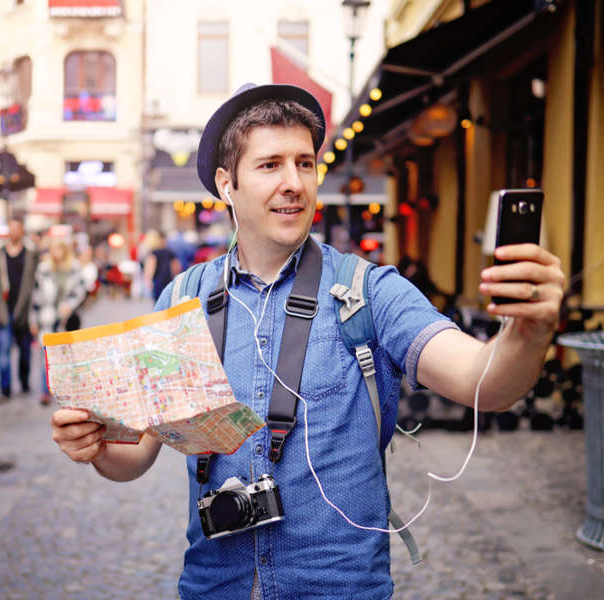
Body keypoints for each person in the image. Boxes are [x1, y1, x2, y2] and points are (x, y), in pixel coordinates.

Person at [50, 84, 565, 599]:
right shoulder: (183, 299)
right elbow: (136, 456)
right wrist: (96, 446)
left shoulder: (369, 292)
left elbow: (487, 383)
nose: (294, 183)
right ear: (227, 184)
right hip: (214, 587)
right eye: (270, 165)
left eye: (305, 163)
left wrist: (529, 329)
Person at [0, 217, 39, 403]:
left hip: (23, 309)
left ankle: (24, 381)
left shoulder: (31, 253)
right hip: (3, 308)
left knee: (25, 352)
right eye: (11, 228)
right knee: (3, 351)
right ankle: (4, 388)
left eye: (17, 228)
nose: (14, 232)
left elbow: (36, 280)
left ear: (22, 231)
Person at [30, 237, 88, 406]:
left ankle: (67, 392)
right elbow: (35, 297)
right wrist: (33, 320)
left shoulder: (74, 268)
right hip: (47, 319)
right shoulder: (43, 269)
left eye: (59, 249)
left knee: (67, 356)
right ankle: (45, 391)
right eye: (53, 250)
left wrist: (70, 305)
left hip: (67, 320)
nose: (56, 253)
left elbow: (80, 291)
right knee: (46, 357)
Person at [142, 230, 182, 301]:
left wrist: (148, 280)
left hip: (157, 282)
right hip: (169, 281)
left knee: (158, 303)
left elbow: (150, 267)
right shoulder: (170, 251)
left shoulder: (153, 253)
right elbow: (176, 267)